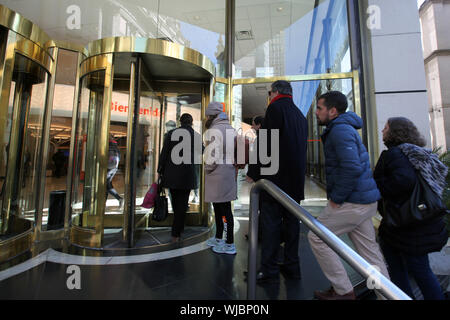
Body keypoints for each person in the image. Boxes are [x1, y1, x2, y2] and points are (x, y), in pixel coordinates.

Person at [308, 91, 390, 300]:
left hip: (352, 203)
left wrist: (337, 198)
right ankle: (386, 296)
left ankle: (343, 291)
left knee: (317, 237)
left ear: (333, 111)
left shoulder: (340, 131)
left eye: (320, 108)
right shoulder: (342, 128)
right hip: (363, 202)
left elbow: (351, 167)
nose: (317, 112)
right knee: (369, 253)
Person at [374, 117, 448, 300]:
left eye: (385, 128)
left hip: (404, 226)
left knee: (404, 270)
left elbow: (403, 181)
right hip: (423, 222)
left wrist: (378, 184)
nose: (382, 131)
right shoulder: (418, 153)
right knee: (420, 269)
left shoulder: (394, 154)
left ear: (394, 132)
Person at [246, 80, 308, 283]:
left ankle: (269, 270)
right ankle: (292, 267)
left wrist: (254, 172)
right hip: (295, 181)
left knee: (270, 225)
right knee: (292, 224)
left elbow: (265, 143)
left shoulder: (274, 109)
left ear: (276, 93)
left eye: (269, 93)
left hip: (275, 181)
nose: (269, 97)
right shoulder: (300, 115)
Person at [158, 113, 202, 243]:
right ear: (191, 122)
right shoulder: (196, 135)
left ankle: (177, 229)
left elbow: (164, 153)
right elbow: (203, 151)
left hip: (171, 174)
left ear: (180, 122)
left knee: (176, 201)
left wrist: (160, 171)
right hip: (187, 175)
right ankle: (177, 232)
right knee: (182, 203)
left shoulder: (170, 134)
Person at [204, 101, 238, 255]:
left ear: (212, 115)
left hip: (217, 174)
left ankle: (229, 243)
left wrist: (207, 168)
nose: (206, 118)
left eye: (207, 115)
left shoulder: (215, 130)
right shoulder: (230, 128)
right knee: (222, 207)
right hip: (228, 172)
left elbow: (212, 156)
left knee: (221, 209)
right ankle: (219, 238)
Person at [107, 135, 123, 209]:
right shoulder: (116, 147)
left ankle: (119, 198)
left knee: (106, 185)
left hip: (107, 167)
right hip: (114, 168)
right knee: (107, 184)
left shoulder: (108, 146)